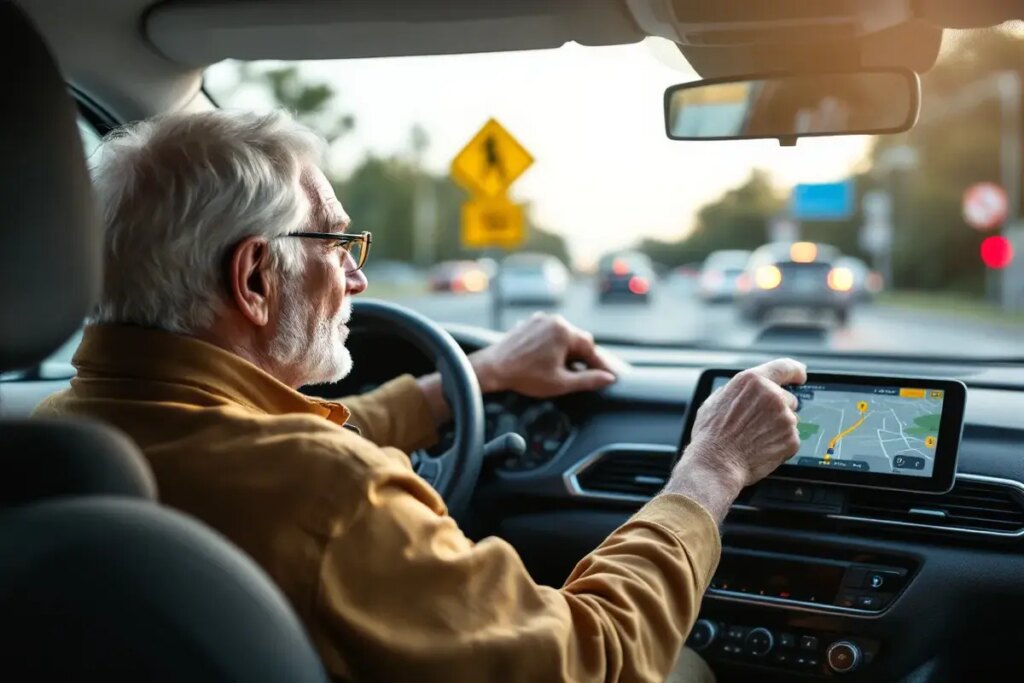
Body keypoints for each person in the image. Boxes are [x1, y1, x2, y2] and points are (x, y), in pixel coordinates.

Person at [35, 110, 806, 682]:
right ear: (256, 280)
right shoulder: (335, 496)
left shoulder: (59, 440)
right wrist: (710, 469)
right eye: (337, 244)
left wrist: (475, 377)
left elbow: (254, 439)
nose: (358, 279)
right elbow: (595, 655)